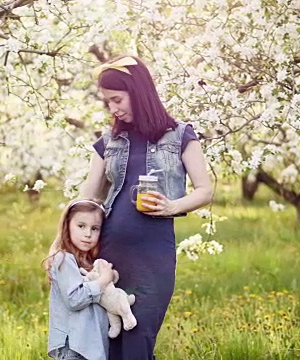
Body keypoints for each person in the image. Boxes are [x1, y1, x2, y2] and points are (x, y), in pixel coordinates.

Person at [80, 56, 213, 359]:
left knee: (139, 338)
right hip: (109, 256)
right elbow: (87, 198)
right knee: (110, 342)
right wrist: (62, 242)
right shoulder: (108, 142)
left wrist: (172, 206)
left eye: (117, 99)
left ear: (137, 91)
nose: (113, 108)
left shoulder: (181, 135)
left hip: (154, 256)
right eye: (107, 102)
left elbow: (205, 190)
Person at [45, 199, 115, 360]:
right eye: (81, 226)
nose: (88, 234)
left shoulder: (89, 261)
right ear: (67, 225)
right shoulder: (64, 258)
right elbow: (74, 299)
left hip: (88, 344)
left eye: (95, 228)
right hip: (74, 347)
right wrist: (102, 282)